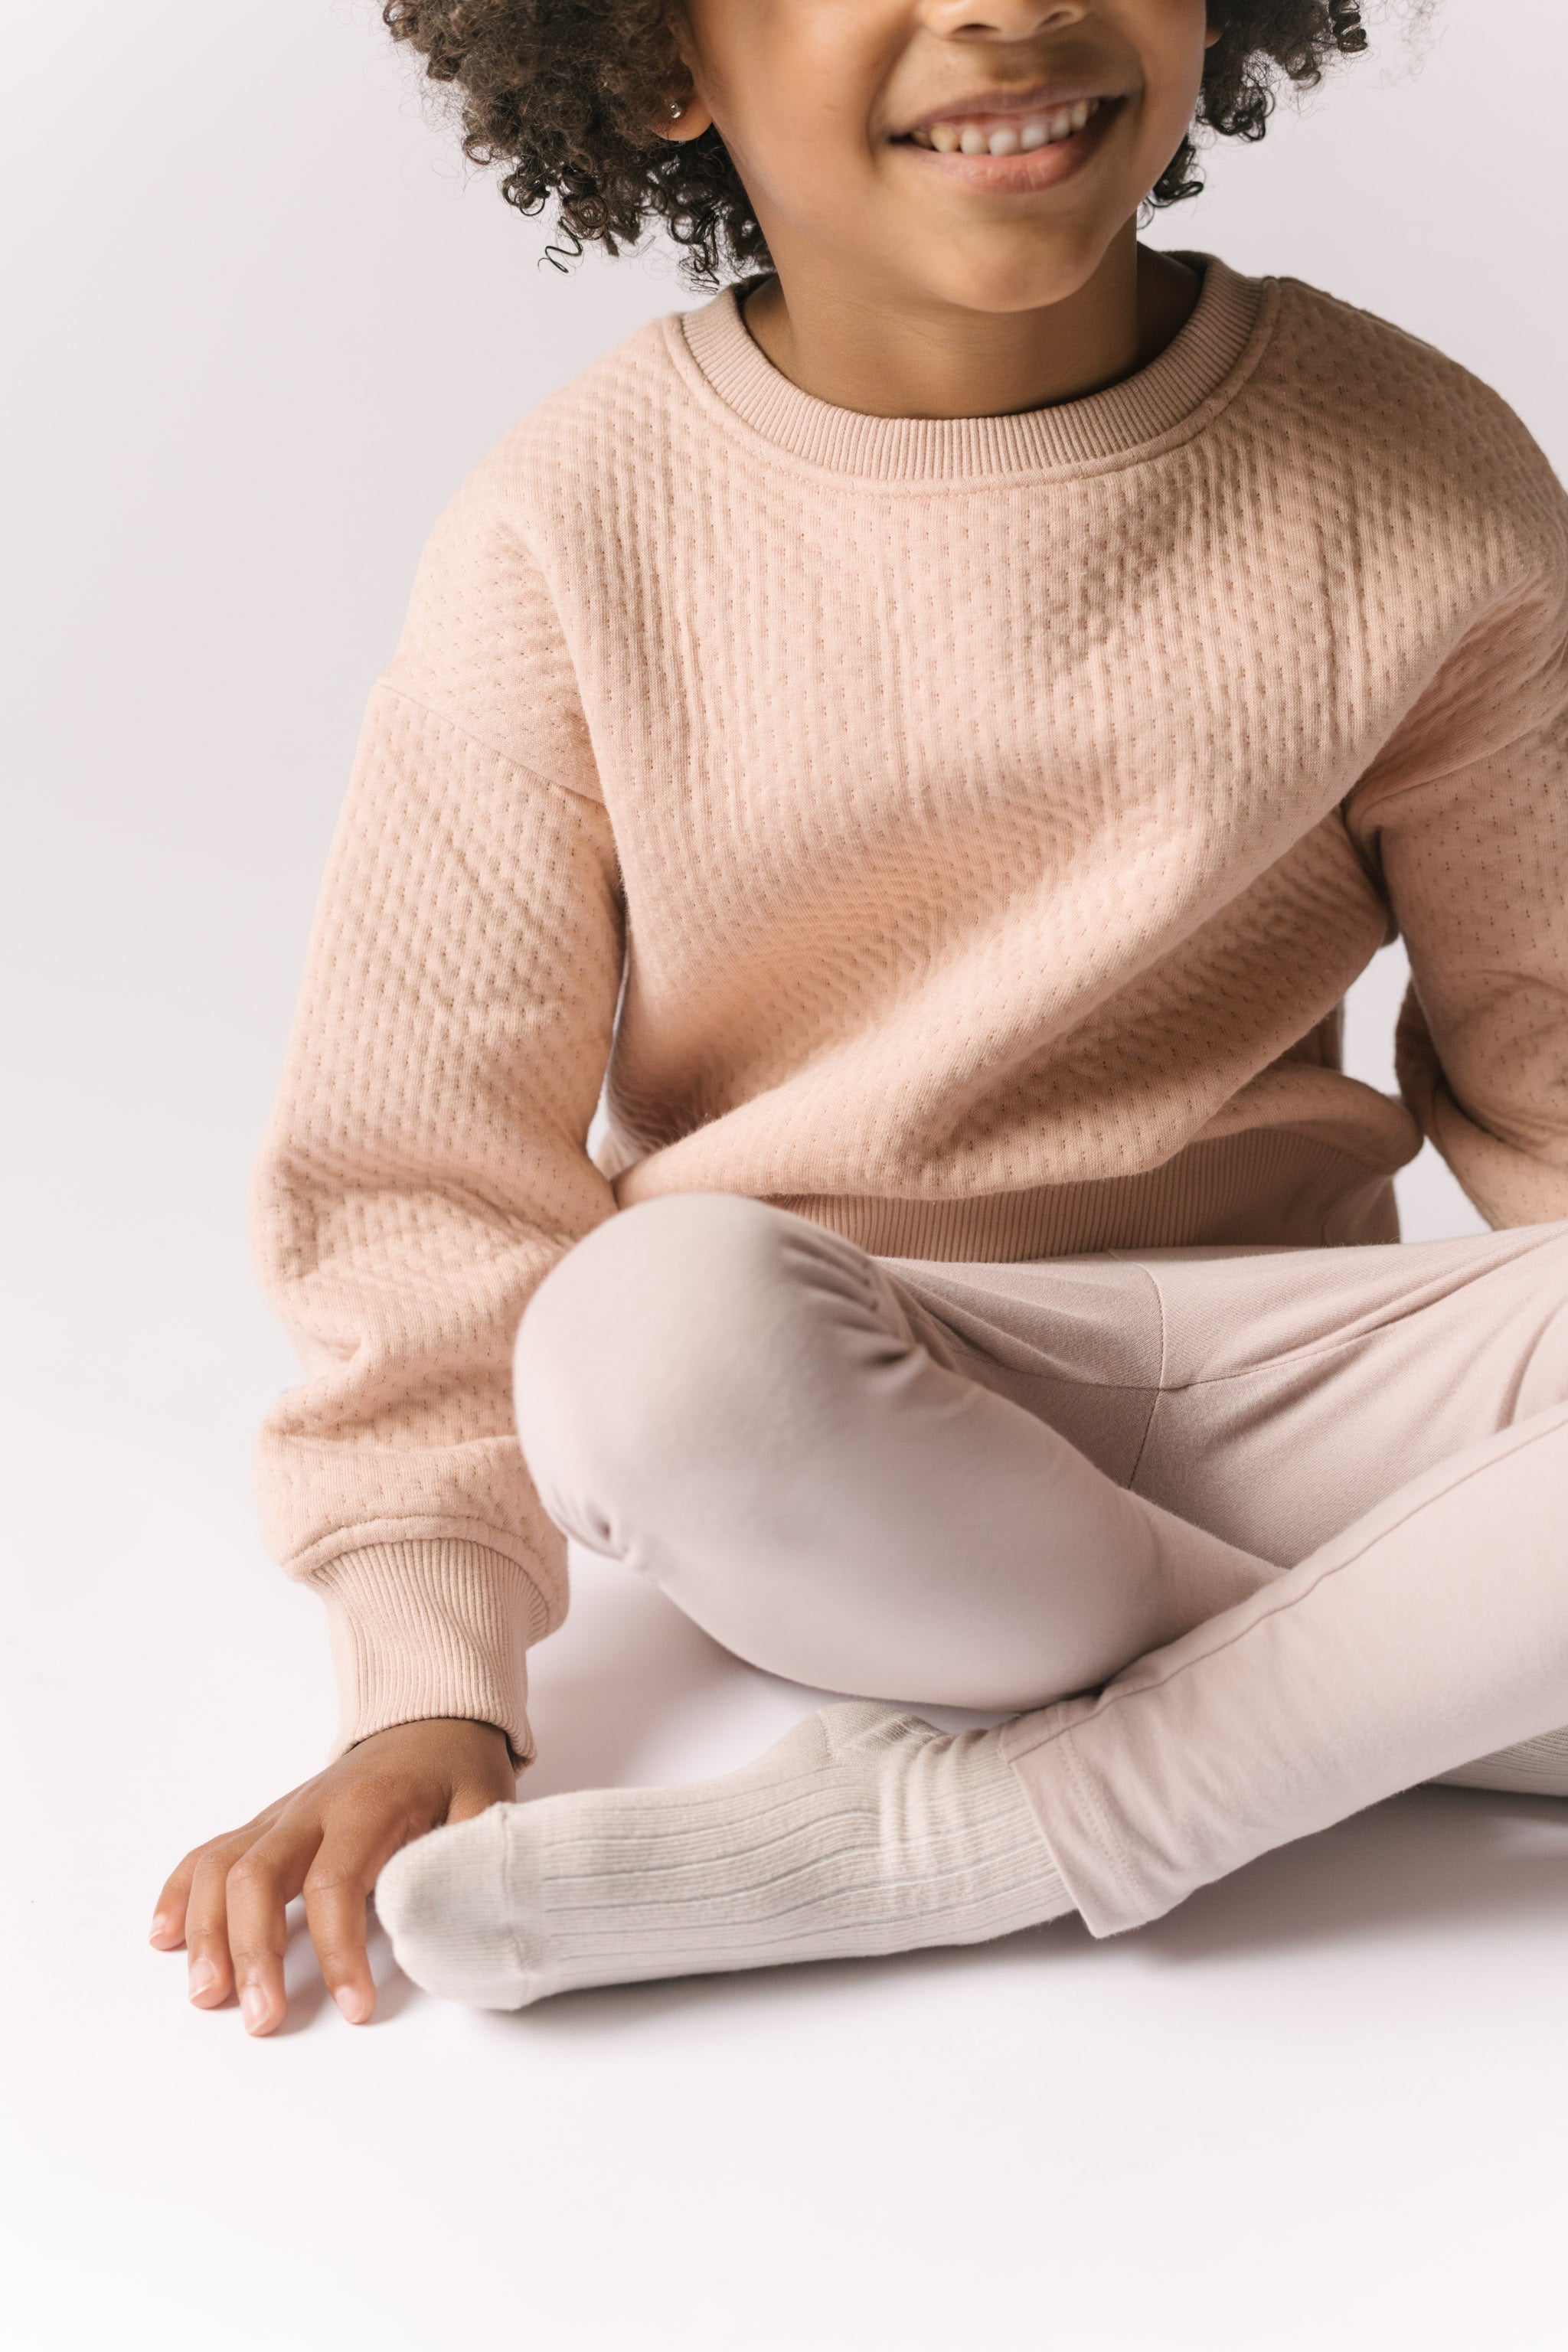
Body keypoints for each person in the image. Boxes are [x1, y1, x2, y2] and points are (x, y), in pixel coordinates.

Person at [150, 0, 1568, 2035]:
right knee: (637, 1337)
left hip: (1321, 1385)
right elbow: (419, 1184)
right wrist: (424, 1682)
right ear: (651, 56)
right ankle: (1407, 1676)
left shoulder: (1425, 471)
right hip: (835, 1433)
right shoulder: (570, 527)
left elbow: (1550, 1057)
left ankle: (1021, 1819)